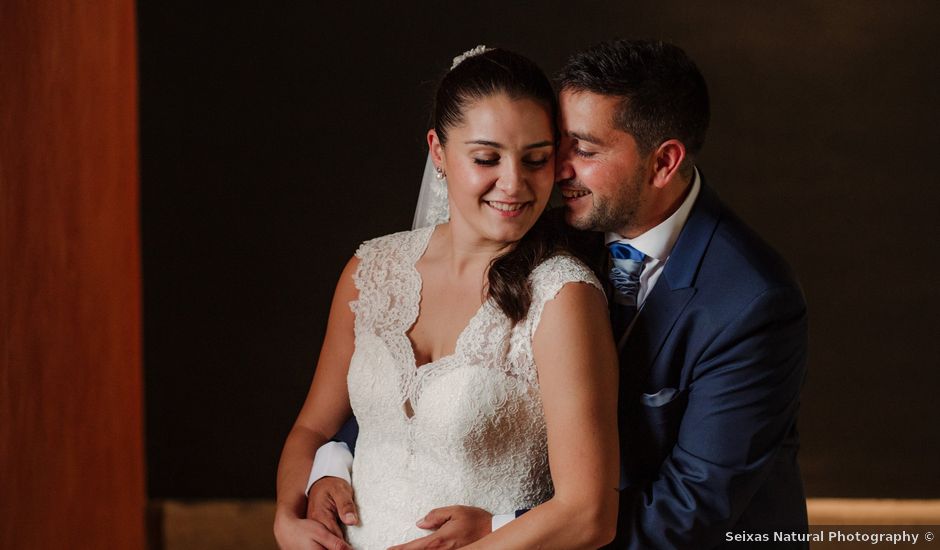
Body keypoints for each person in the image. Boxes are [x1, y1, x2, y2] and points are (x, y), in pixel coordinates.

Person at [305, 40, 809, 550]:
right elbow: (412, 376)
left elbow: (693, 508)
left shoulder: (751, 302)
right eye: (557, 144)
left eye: (584, 150)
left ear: (664, 163)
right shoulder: (542, 219)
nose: (555, 169)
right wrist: (334, 460)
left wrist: (506, 526)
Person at [274, 47, 620, 550]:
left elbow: (588, 515)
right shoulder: (370, 270)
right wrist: (289, 516)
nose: (514, 183)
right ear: (438, 151)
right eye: (486, 158)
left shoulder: (562, 297)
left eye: (536, 159)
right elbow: (311, 428)